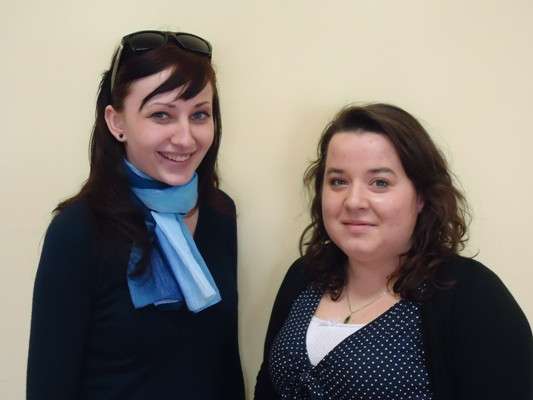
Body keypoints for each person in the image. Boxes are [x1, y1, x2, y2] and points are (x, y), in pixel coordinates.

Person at [254, 103, 533, 399]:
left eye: (380, 183)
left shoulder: (472, 295)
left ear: (422, 196)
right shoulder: (305, 275)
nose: (353, 201)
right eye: (339, 181)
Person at [27, 30, 244, 399]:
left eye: (199, 114)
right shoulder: (77, 232)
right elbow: (49, 387)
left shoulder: (219, 213)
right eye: (161, 114)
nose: (186, 138)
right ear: (117, 123)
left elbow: (224, 365)